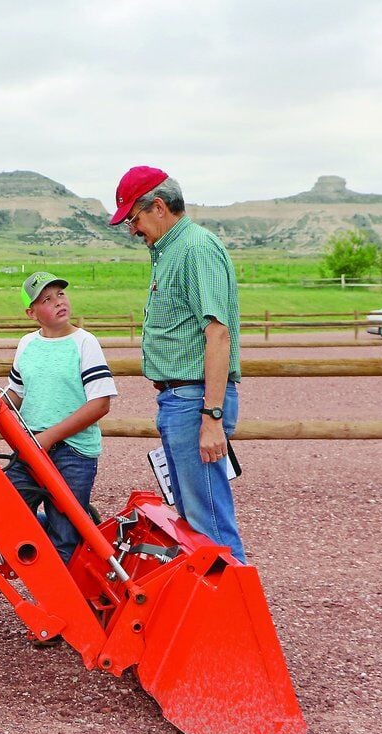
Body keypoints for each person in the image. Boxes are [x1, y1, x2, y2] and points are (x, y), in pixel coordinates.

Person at [109, 165, 246, 562]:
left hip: (194, 402)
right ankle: (212, 613)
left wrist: (212, 416)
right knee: (193, 520)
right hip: (180, 401)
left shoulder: (196, 249)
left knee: (210, 522)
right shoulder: (170, 251)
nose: (133, 229)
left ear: (158, 207)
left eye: (133, 219)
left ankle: (235, 616)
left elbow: (218, 335)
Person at [4, 271, 117, 566]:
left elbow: (100, 404)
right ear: (31, 313)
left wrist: (50, 436)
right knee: (4, 511)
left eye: (61, 295)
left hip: (73, 452)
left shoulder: (84, 343)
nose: (58, 302)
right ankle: (71, 528)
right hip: (31, 446)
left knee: (65, 536)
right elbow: (15, 395)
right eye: (46, 299)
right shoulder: (27, 344)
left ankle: (68, 608)